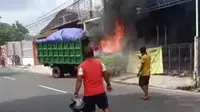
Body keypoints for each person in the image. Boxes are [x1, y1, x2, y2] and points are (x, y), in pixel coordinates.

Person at [74, 46, 112, 112]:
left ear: (84, 55)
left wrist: (76, 93)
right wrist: (108, 85)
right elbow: (105, 75)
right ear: (93, 53)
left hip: (89, 94)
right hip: (100, 92)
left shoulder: (81, 66)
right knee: (105, 108)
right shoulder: (100, 63)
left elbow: (79, 81)